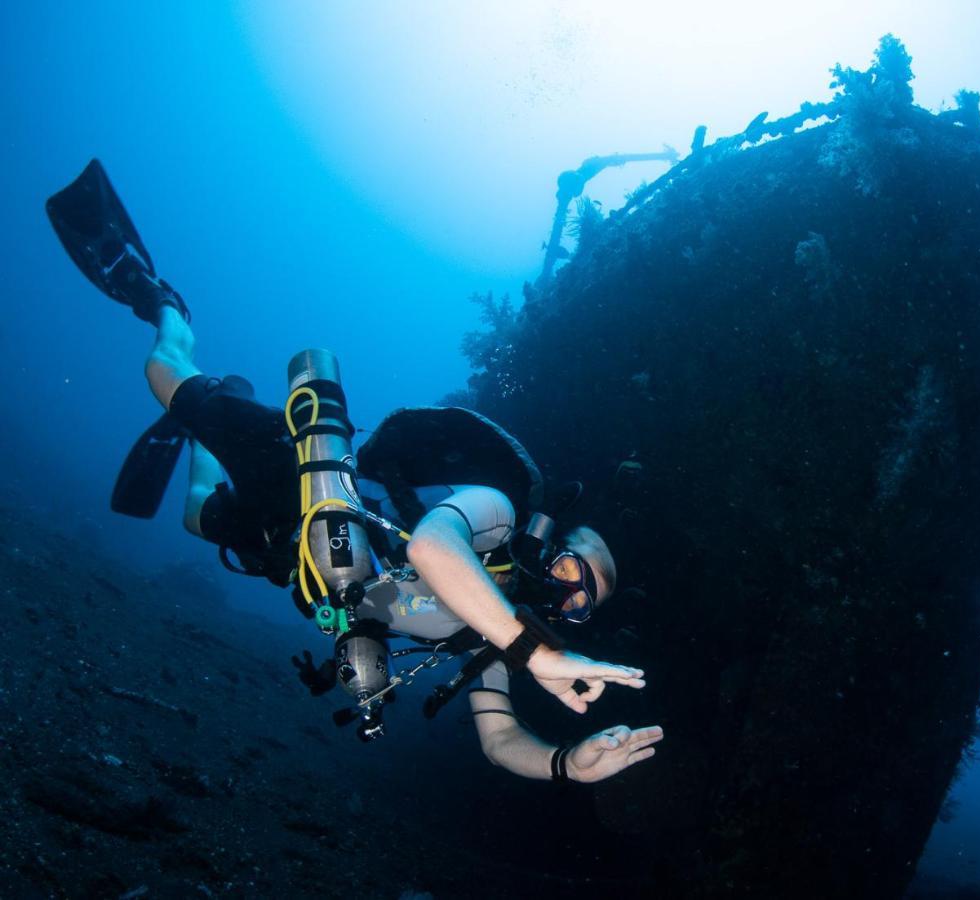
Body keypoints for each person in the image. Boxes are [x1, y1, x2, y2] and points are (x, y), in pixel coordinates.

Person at [46, 159, 663, 782]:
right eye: (576, 573)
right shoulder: (499, 515)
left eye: (583, 606)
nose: (570, 595)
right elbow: (432, 547)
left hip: (297, 553)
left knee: (194, 513)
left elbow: (500, 738)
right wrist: (533, 653)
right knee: (163, 376)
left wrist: (566, 763)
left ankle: (216, 408)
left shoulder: (494, 628)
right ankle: (161, 303)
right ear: (557, 540)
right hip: (306, 475)